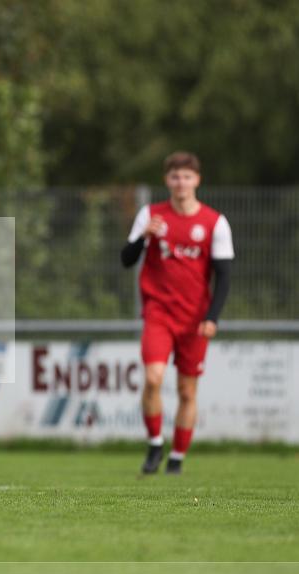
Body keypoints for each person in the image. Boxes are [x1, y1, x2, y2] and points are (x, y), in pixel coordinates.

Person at [121, 152, 233, 475]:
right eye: (174, 177)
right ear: (166, 181)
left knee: (187, 391)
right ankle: (156, 443)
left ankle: (177, 459)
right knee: (153, 378)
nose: (180, 183)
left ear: (197, 180)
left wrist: (212, 317)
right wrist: (144, 238)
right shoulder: (151, 215)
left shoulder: (215, 222)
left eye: (186, 176)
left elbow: (224, 275)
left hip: (195, 319)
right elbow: (126, 259)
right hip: (158, 312)